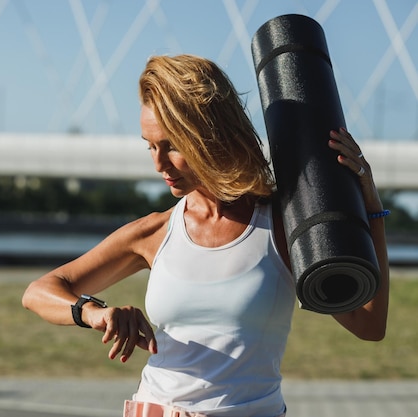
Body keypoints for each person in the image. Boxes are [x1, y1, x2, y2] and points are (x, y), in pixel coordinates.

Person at [22, 54, 389, 417]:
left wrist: (370, 209)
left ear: (209, 136)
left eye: (171, 145)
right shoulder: (154, 232)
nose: (158, 164)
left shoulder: (282, 225)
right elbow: (40, 291)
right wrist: (94, 314)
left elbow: (369, 323)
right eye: (150, 145)